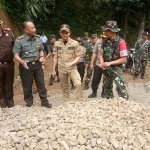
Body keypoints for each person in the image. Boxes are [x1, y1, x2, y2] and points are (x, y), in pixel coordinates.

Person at [13, 20, 52, 108]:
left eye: (34, 27)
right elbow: (16, 55)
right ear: (26, 30)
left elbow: (41, 49)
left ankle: (44, 102)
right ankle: (29, 103)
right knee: (27, 85)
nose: (34, 29)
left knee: (41, 83)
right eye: (32, 28)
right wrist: (22, 62)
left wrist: (42, 57)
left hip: (37, 64)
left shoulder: (38, 38)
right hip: (26, 65)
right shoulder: (20, 40)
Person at [52, 24, 83, 100]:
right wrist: (53, 70)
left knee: (78, 83)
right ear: (60, 33)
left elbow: (78, 56)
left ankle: (79, 100)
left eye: (66, 32)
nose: (64, 34)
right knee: (64, 86)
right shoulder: (57, 43)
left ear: (69, 33)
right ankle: (66, 102)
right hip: (61, 68)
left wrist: (72, 63)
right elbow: (55, 57)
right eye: (63, 33)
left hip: (72, 67)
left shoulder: (75, 43)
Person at [99, 21, 129, 100]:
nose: (105, 32)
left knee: (120, 86)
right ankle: (110, 104)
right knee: (107, 88)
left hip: (117, 68)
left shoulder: (121, 42)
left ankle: (124, 104)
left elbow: (124, 59)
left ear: (113, 31)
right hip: (107, 68)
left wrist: (110, 63)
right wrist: (102, 63)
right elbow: (101, 54)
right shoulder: (104, 42)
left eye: (107, 30)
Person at [0, 19, 15, 108]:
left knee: (9, 84)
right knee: (0, 84)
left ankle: (10, 103)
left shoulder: (9, 33)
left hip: (9, 63)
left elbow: (16, 46)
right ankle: (2, 103)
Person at [88, 32, 106, 98]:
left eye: (105, 37)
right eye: (103, 37)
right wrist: (91, 63)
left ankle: (104, 93)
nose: (103, 38)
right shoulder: (98, 41)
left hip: (107, 65)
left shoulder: (110, 42)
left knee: (106, 79)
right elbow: (94, 53)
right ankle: (94, 92)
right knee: (95, 79)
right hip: (98, 64)